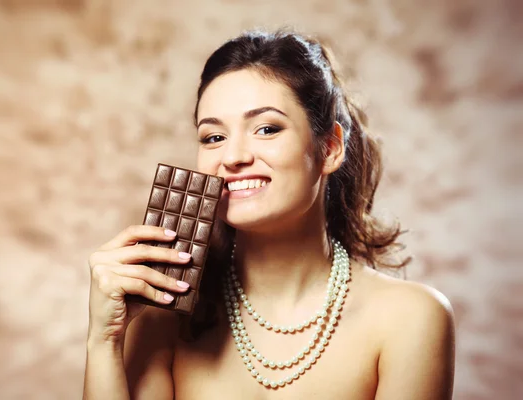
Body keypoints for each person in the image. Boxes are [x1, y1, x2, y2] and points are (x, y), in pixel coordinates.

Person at [83, 30, 455, 400]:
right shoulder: (163, 315)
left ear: (330, 148)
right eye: (213, 137)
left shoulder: (410, 318)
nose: (233, 157)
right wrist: (102, 342)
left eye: (266, 129)